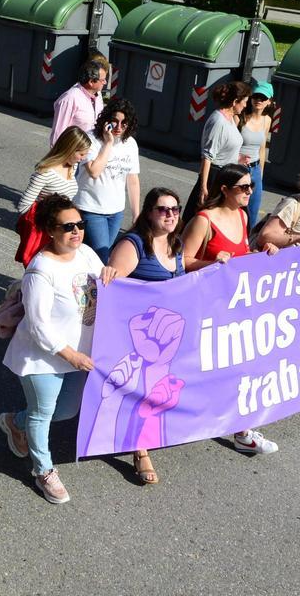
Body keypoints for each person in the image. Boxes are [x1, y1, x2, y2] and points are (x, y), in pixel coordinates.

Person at [0, 194, 116, 503]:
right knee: (43, 413)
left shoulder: (87, 254)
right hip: (44, 357)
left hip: (80, 355)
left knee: (65, 411)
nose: (76, 231)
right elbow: (38, 327)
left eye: (80, 224)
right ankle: (44, 471)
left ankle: (14, 422)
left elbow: (104, 290)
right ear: (50, 231)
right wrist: (71, 355)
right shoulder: (40, 270)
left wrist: (109, 275)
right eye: (68, 227)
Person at [181, 163, 281, 454]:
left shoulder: (242, 215)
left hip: (232, 305)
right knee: (200, 369)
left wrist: (260, 254)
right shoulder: (204, 220)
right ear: (224, 189)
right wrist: (211, 264)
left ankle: (242, 431)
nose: (250, 191)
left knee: (239, 367)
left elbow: (240, 255)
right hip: (203, 306)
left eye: (251, 186)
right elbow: (182, 261)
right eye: (244, 187)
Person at [106, 187, 187, 484]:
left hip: (167, 337)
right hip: (138, 338)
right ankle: (141, 451)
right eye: (163, 209)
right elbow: (112, 288)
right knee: (143, 393)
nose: (170, 215)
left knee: (158, 392)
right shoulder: (134, 244)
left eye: (175, 209)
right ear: (149, 213)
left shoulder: (175, 244)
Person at [74, 97, 141, 263]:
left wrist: (136, 214)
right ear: (106, 120)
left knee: (92, 256)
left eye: (124, 123)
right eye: (115, 121)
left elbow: (132, 180)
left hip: (116, 211)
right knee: (102, 258)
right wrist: (108, 143)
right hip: (91, 208)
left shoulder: (130, 144)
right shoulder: (91, 139)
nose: (119, 127)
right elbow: (94, 171)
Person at [16, 126, 91, 266]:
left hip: (65, 231)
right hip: (48, 233)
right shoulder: (45, 172)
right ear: (70, 149)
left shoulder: (72, 166)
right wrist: (47, 224)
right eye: (81, 154)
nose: (83, 158)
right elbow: (23, 206)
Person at [185, 80, 250, 219]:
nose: (245, 105)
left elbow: (224, 147)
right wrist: (204, 187)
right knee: (204, 219)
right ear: (235, 102)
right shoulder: (218, 121)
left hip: (227, 175)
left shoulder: (232, 119)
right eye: (244, 101)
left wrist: (238, 158)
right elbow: (207, 156)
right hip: (215, 177)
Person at [49, 56, 109, 146]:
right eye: (102, 80)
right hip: (74, 151)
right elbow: (57, 135)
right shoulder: (70, 99)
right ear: (91, 82)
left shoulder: (98, 95)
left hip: (92, 150)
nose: (105, 82)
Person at [238, 81, 274, 228]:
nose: (258, 100)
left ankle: (248, 239)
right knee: (236, 208)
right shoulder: (241, 117)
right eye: (256, 96)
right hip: (239, 168)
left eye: (263, 98)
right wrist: (237, 159)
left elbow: (262, 149)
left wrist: (261, 173)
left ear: (269, 102)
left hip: (255, 170)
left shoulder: (267, 120)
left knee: (252, 212)